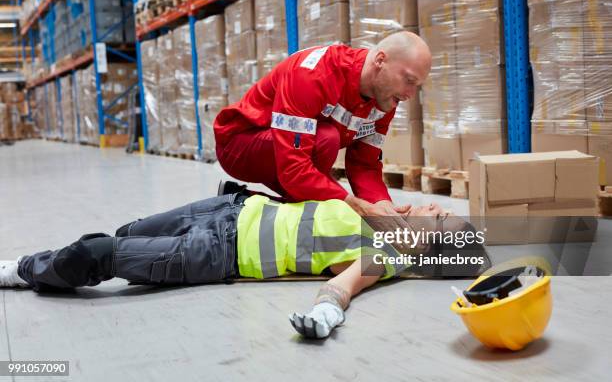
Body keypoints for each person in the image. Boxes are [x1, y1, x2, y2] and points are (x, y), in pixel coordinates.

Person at [0, 191, 486, 339]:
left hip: (219, 253)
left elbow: (346, 284)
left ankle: (21, 271)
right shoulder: (384, 211)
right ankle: (37, 268)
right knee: (126, 232)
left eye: (436, 216)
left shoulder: (390, 255)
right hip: (231, 208)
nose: (425, 206)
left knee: (97, 255)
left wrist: (326, 314)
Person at [214, 31, 432, 217]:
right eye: (409, 81)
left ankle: (239, 201)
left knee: (328, 199)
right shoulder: (312, 75)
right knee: (326, 142)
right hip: (239, 145)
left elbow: (365, 165)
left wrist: (381, 204)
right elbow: (294, 168)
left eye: (417, 86)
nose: (410, 94)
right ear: (380, 60)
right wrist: (353, 205)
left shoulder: (384, 100)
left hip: (295, 154)